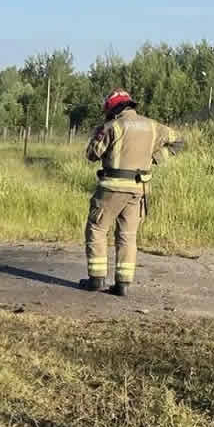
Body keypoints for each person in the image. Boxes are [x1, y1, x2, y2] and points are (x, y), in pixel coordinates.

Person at [81, 89, 184, 296]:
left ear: (112, 109)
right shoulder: (153, 126)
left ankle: (96, 279)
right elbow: (179, 141)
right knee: (128, 236)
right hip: (139, 189)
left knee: (97, 229)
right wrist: (155, 158)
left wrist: (97, 134)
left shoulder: (112, 127)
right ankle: (123, 284)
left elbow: (92, 155)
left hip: (111, 188)